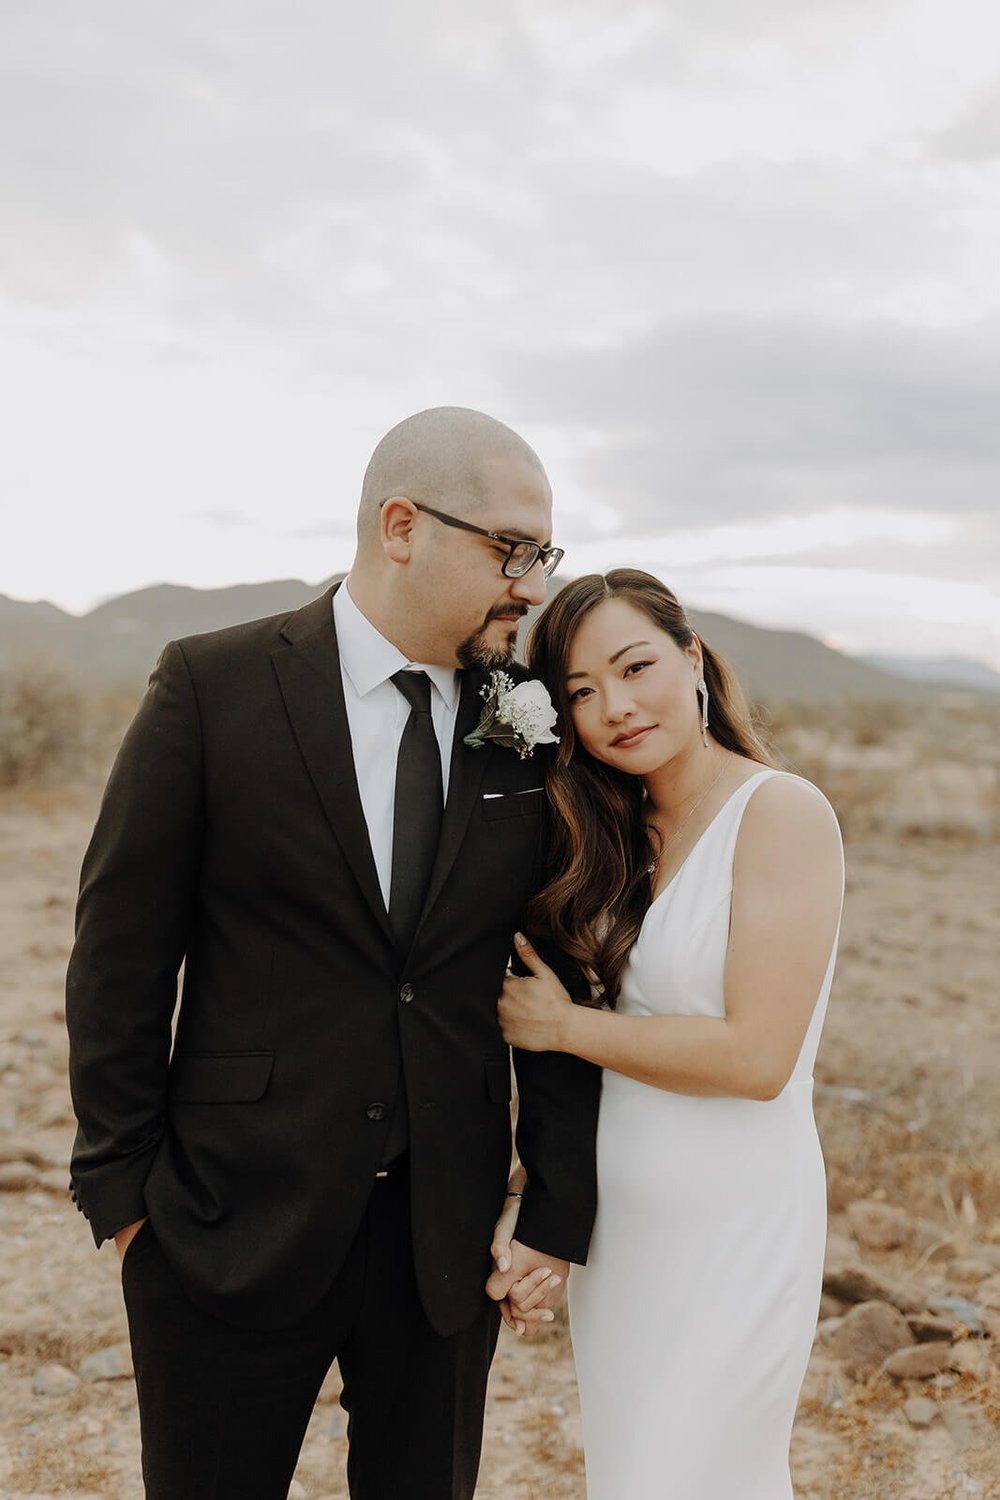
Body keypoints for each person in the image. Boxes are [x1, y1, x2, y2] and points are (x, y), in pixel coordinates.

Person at [65, 407, 600, 1500]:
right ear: (401, 525)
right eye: (511, 549)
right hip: (225, 1220)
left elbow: (551, 970)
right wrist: (124, 1198)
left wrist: (552, 1206)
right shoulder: (211, 687)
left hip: (440, 1245)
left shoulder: (526, 722)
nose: (531, 586)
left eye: (543, 554)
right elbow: (119, 953)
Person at [492, 568, 844, 1500]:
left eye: (634, 665)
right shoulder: (608, 830)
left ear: (691, 659)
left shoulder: (781, 813)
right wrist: (544, 1214)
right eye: (579, 692)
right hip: (627, 1235)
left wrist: (565, 1029)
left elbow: (757, 1058)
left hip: (734, 1222)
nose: (614, 706)